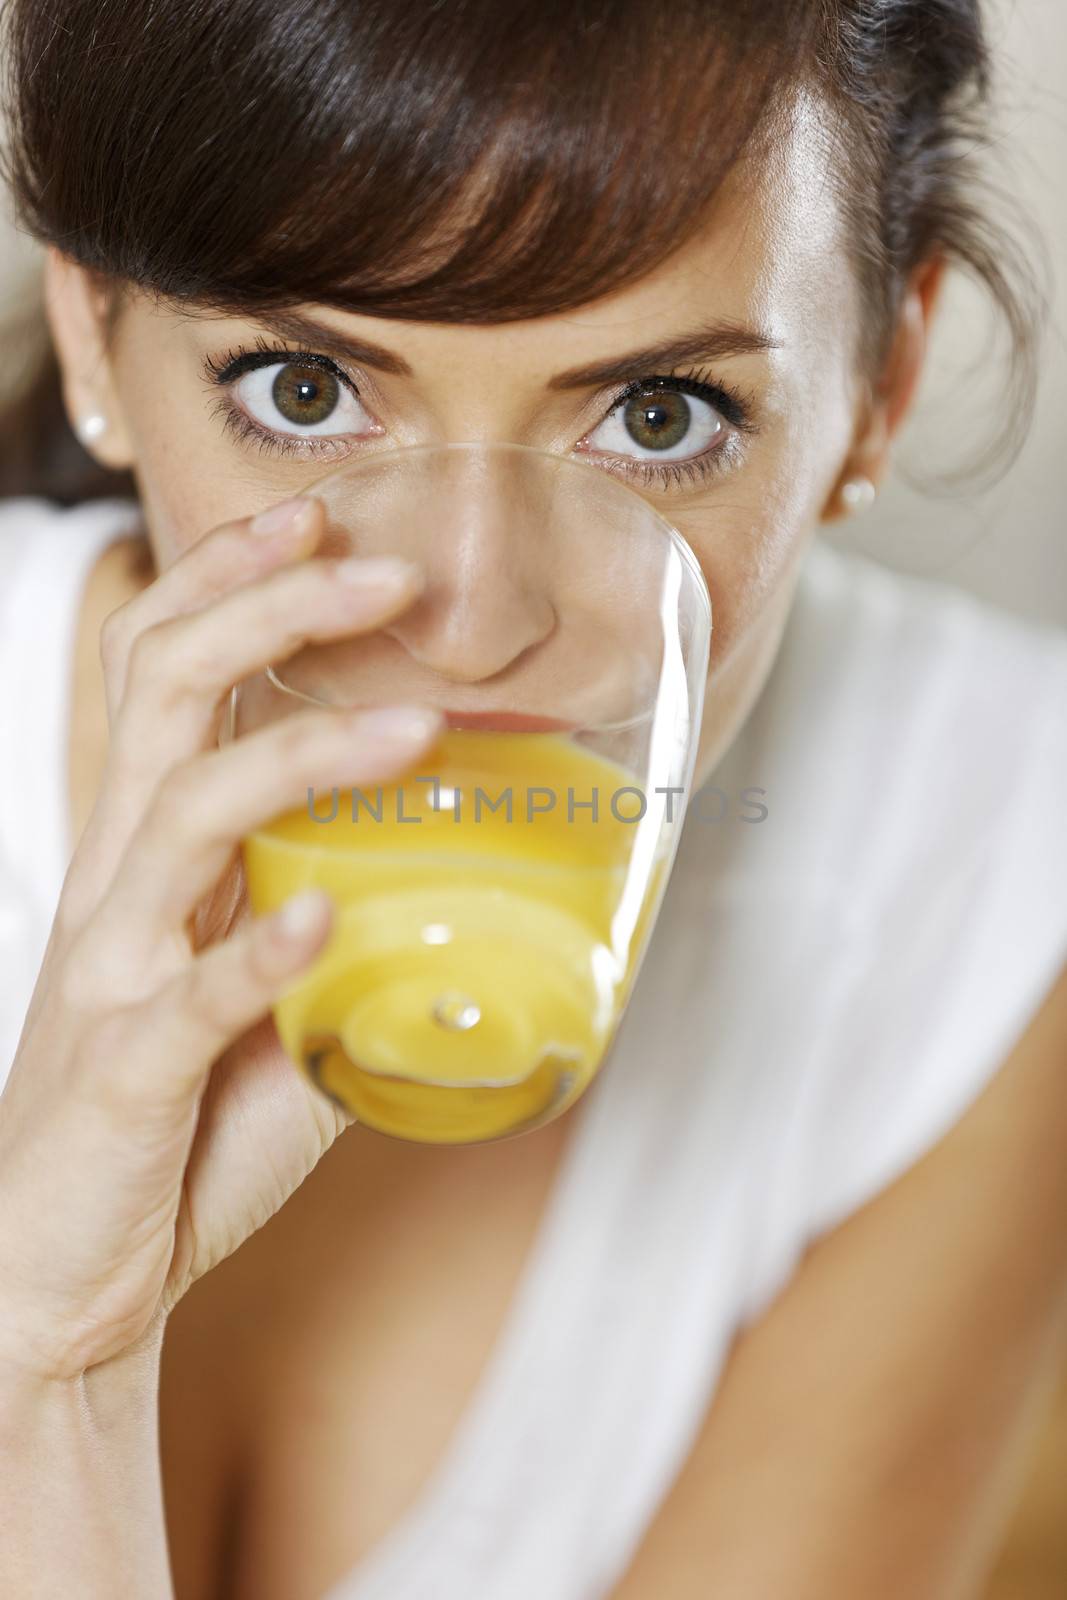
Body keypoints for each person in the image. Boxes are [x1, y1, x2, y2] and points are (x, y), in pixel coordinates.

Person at [1, 1, 1065, 1595]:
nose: (472, 615)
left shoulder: (986, 852)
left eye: (659, 417)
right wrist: (44, 1365)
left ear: (883, 389)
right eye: (302, 389)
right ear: (92, 336)